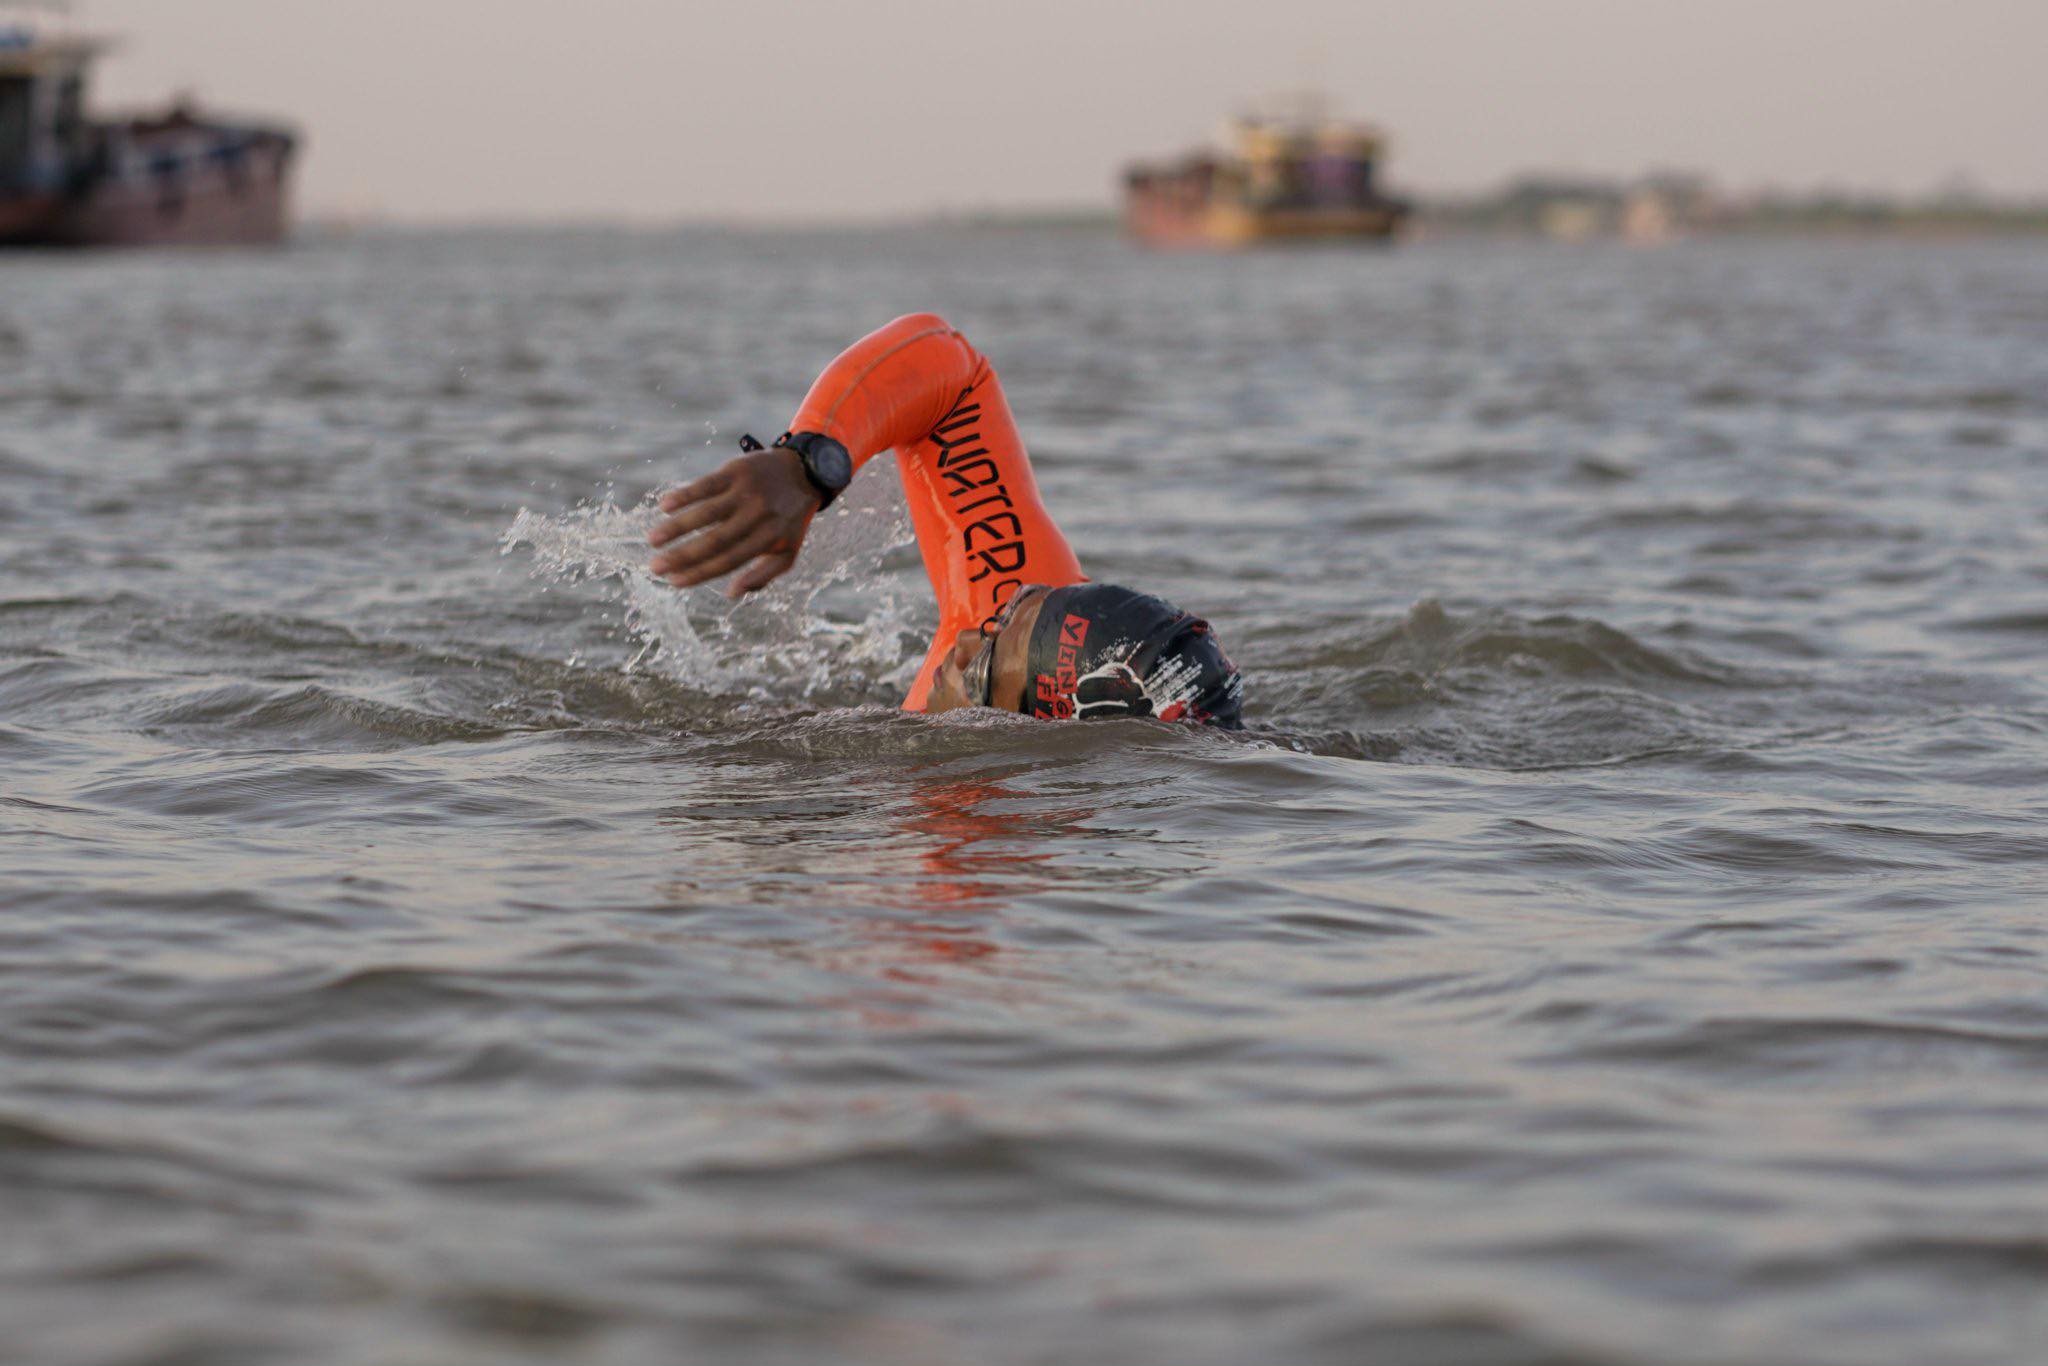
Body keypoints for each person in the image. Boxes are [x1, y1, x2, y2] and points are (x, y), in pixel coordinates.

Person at [646, 314, 1244, 728]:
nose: (960, 641)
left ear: (1045, 728)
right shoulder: (1021, 627)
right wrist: (810, 461)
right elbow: (950, 367)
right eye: (1006, 613)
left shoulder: (971, 855)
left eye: (985, 662)